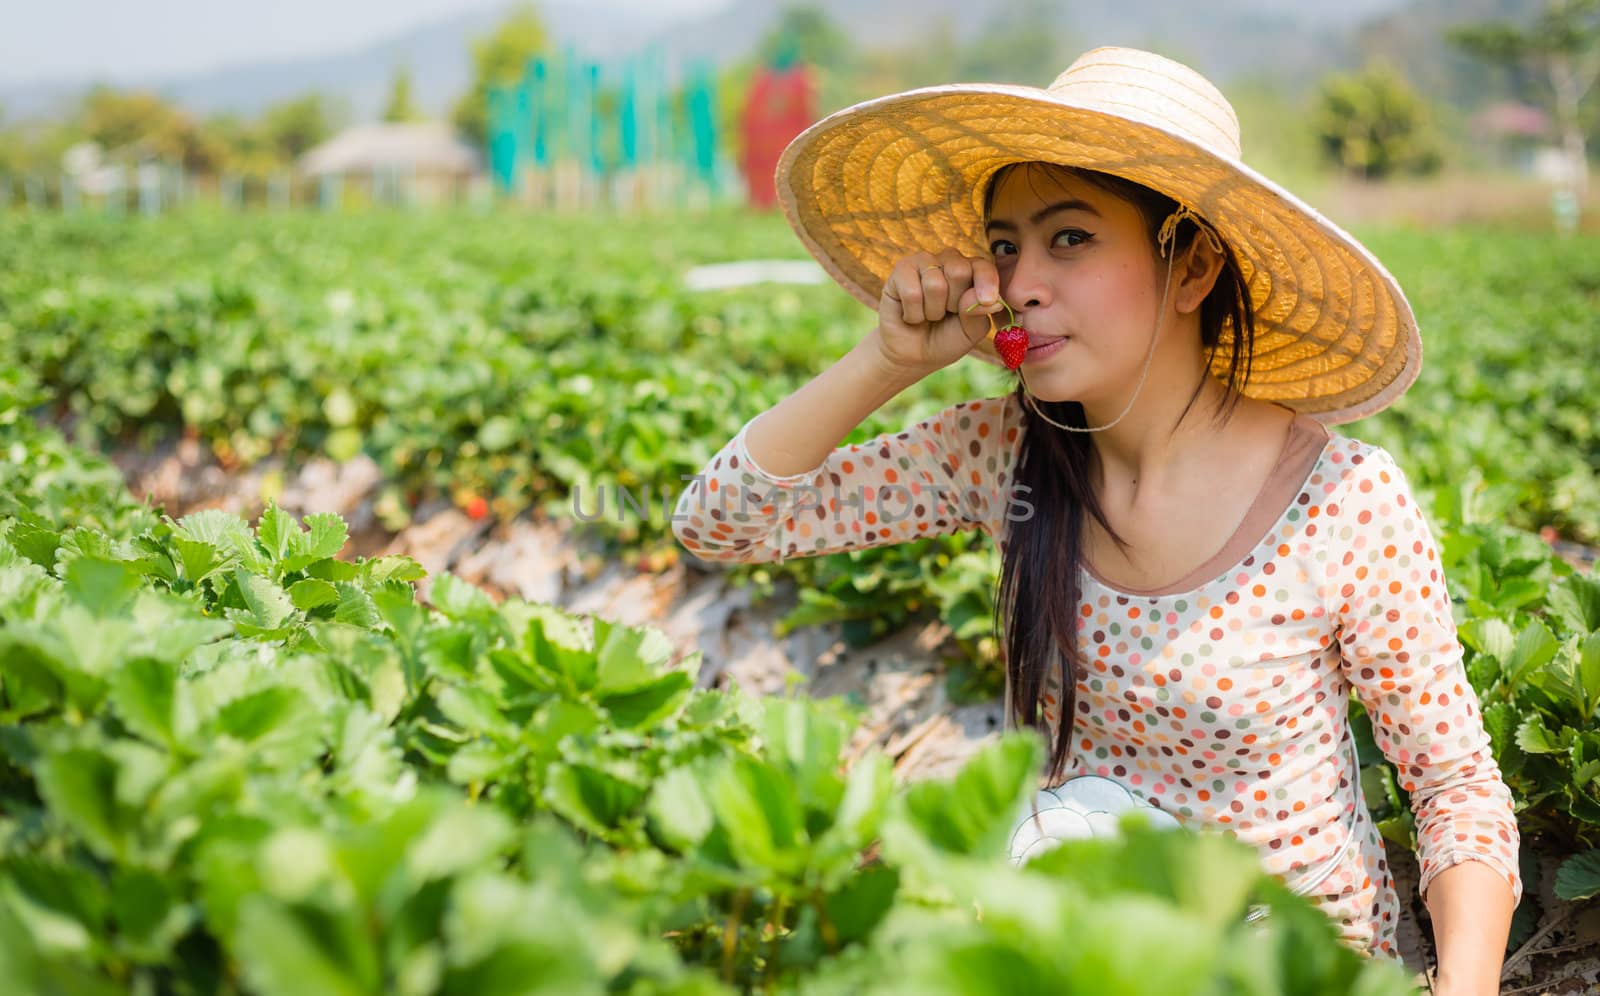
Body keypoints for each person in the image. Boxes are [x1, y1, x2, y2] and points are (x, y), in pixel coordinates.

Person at [671, 47, 1519, 988]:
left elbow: (1456, 792)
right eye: (1005, 247)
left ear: (1191, 263)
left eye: (1069, 238)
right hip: (1081, 949)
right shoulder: (1006, 455)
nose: (1022, 281)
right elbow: (722, 523)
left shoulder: (1341, 501)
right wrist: (889, 361)